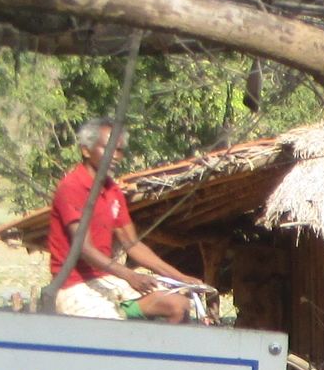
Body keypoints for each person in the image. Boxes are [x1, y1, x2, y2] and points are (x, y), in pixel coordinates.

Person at [47, 121, 208, 322]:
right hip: (74, 287)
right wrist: (130, 275)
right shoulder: (72, 187)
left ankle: (161, 353)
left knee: (179, 305)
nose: (115, 155)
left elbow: (132, 244)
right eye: (108, 148)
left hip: (108, 280)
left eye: (120, 150)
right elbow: (84, 248)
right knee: (113, 327)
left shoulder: (112, 190)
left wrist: (180, 278)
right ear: (86, 151)